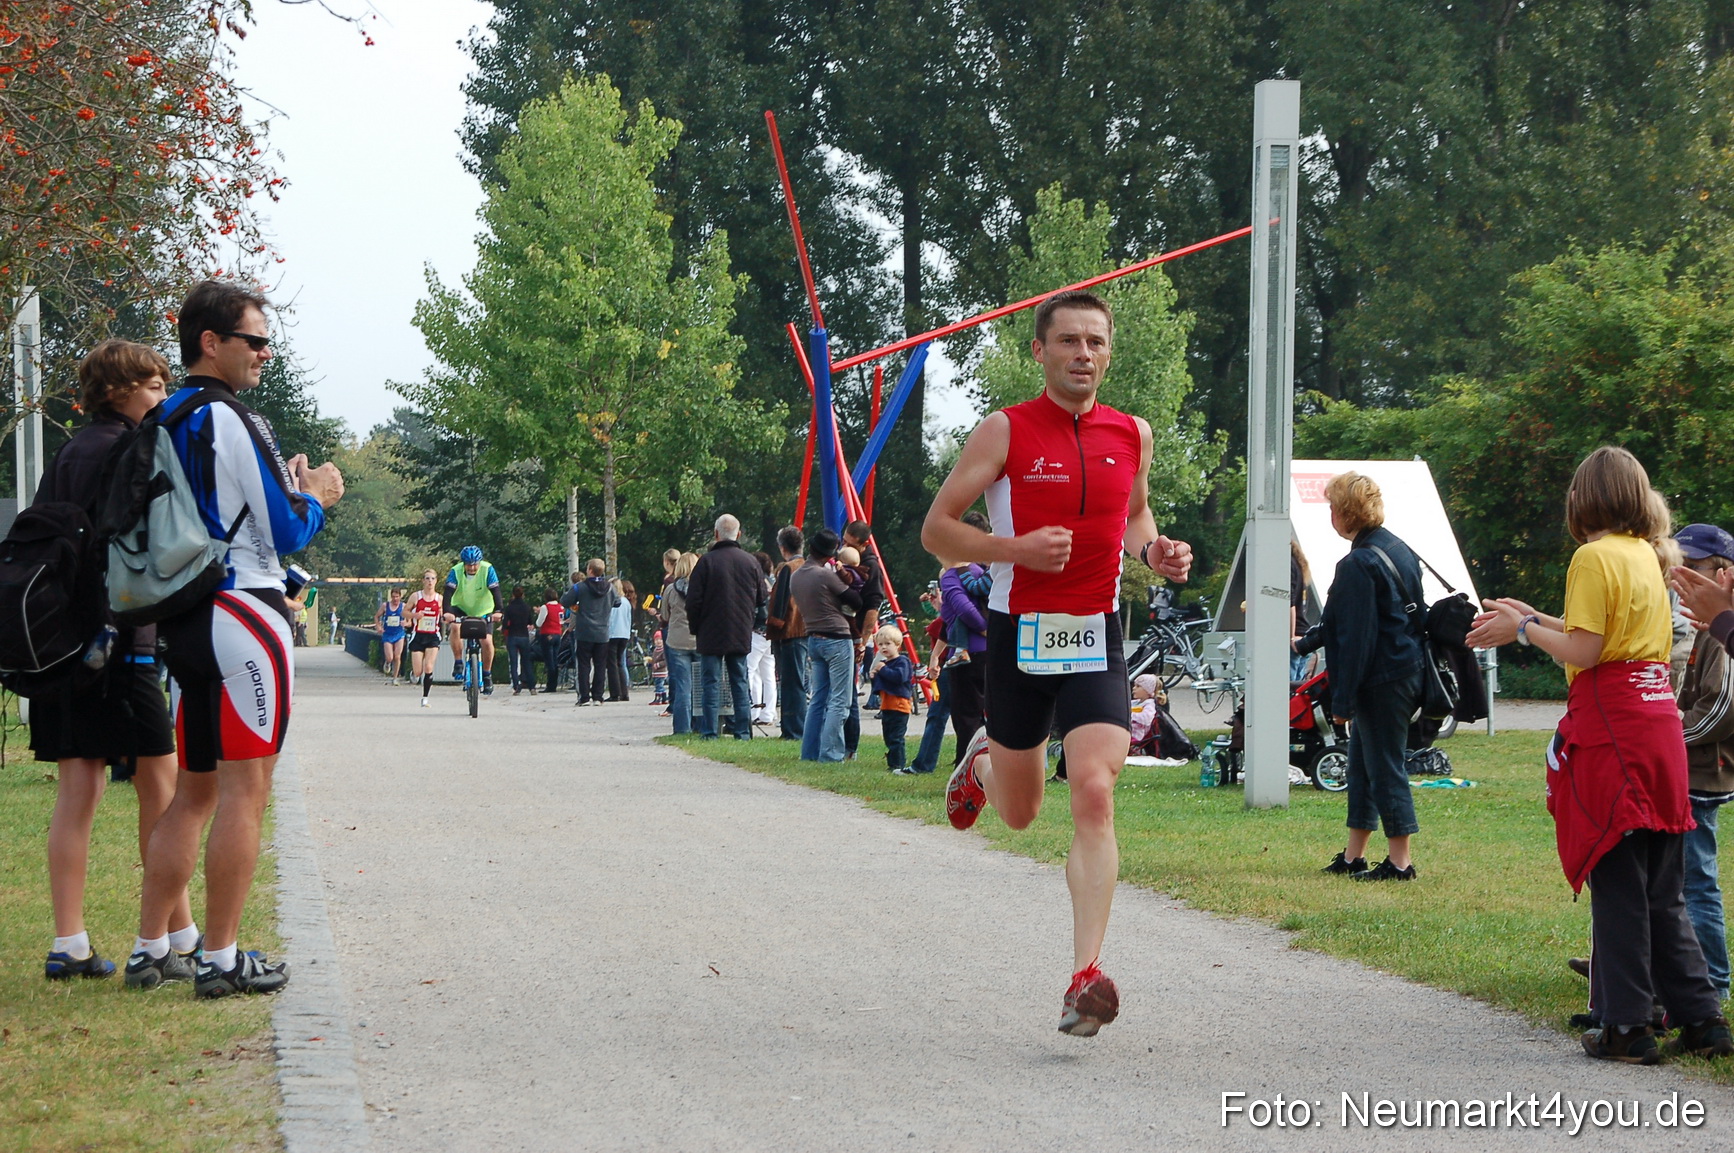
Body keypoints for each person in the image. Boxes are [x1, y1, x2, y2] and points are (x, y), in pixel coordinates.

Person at [921, 288, 1193, 1037]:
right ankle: (982, 762)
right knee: (1019, 811)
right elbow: (937, 530)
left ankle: (1083, 976)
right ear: (1039, 351)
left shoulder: (1132, 432)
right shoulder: (1004, 431)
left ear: (1109, 351)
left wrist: (1154, 551)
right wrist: (1016, 549)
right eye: (1068, 341)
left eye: (1095, 342)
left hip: (1095, 632)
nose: (1083, 354)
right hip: (1018, 633)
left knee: (1096, 791)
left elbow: (1135, 513)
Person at [1471, 447, 1729, 1062]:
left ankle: (1627, 1027)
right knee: (1662, 888)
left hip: (1613, 723)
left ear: (1581, 500)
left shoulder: (1591, 556)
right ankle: (1703, 1021)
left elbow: (1585, 653)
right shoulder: (1649, 554)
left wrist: (1523, 632)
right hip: (1658, 720)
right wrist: (1534, 616)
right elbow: (1607, 635)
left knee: (1616, 880)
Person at [129, 279, 343, 998]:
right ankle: (219, 957)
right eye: (255, 340)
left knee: (193, 791)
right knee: (245, 792)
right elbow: (286, 531)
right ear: (210, 342)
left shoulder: (162, 418)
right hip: (244, 611)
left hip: (184, 618)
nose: (265, 354)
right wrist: (317, 494)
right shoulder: (231, 417)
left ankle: (150, 943)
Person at [30, 340, 191, 982]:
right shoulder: (131, 450)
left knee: (79, 790)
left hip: (57, 644)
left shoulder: (67, 452)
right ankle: (174, 935)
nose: (161, 395)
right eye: (153, 385)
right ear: (121, 389)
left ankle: (69, 942)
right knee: (164, 783)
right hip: (120, 642)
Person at [1294, 471, 1424, 883]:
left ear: (1346, 512)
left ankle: (1400, 863)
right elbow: (1341, 621)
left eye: (1333, 507)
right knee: (1362, 766)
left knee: (1384, 766)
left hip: (1381, 678)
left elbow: (1355, 639)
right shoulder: (1397, 549)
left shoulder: (1357, 563)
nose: (1330, 514)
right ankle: (1355, 855)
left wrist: (1342, 703)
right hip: (1404, 669)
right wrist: (1304, 643)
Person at [1669, 523, 1734, 1004]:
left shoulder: (1721, 631)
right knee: (1668, 879)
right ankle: (1642, 963)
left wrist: (1664, 735)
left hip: (1701, 773)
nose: (1681, 575)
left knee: (1696, 883)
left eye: (1693, 567)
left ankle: (1714, 981)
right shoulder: (1696, 623)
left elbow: (1720, 707)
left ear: (1724, 574)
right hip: (1682, 767)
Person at [686, 514, 767, 740]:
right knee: (739, 681)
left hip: (710, 630)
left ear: (716, 534)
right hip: (740, 629)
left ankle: (710, 731)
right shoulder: (750, 562)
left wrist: (696, 627)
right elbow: (762, 598)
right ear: (738, 534)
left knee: (710, 682)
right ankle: (742, 731)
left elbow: (693, 601)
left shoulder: (706, 562)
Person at [792, 528, 863, 762]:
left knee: (818, 699)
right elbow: (855, 600)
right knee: (840, 700)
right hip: (837, 638)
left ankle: (809, 752)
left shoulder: (797, 576)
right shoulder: (824, 575)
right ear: (831, 554)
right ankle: (831, 754)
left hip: (814, 637)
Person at [938, 557, 989, 761]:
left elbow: (965, 608)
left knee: (966, 717)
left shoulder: (951, 577)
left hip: (967, 656)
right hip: (989, 653)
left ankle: (967, 770)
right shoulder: (979, 570)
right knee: (988, 715)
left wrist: (984, 628)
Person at [766, 526, 809, 741]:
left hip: (790, 631)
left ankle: (793, 729)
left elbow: (780, 603)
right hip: (808, 630)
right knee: (799, 682)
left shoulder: (787, 569)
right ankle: (797, 727)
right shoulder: (810, 566)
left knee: (791, 684)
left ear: (782, 548)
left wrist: (773, 627)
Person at [907, 579, 953, 775]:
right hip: (962, 664)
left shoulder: (949, 616)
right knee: (972, 717)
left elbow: (939, 626)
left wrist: (934, 658)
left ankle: (924, 764)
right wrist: (935, 605)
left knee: (937, 714)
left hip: (947, 666)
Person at [442, 545, 502, 695]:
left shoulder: (488, 569)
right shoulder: (456, 571)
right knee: (455, 627)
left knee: (487, 641)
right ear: (464, 563)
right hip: (461, 607)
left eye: (475, 564)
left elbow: (496, 593)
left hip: (483, 610)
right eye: (469, 564)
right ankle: (458, 662)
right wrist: (447, 613)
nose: (472, 568)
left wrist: (499, 611)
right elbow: (448, 594)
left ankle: (487, 675)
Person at [562, 560, 618, 705]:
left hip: (584, 631)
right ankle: (598, 697)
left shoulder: (580, 587)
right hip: (603, 631)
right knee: (600, 665)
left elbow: (564, 601)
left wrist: (577, 607)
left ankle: (584, 697)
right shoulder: (610, 588)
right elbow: (617, 602)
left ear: (590, 570)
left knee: (584, 665)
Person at [661, 553, 700, 733]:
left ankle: (682, 728)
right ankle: (701, 726)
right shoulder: (704, 587)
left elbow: (665, 616)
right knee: (701, 686)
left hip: (677, 641)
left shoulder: (670, 589)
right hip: (700, 640)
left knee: (682, 686)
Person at [868, 626, 916, 771]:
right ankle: (892, 760)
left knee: (896, 737)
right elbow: (880, 686)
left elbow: (898, 678)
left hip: (900, 706)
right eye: (880, 644)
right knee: (888, 736)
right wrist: (874, 676)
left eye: (888, 644)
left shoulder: (902, 661)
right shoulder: (885, 664)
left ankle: (897, 764)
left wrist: (882, 669)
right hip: (887, 706)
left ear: (897, 645)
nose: (883, 647)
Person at [407, 569, 445, 707]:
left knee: (428, 666)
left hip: (433, 636)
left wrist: (445, 617)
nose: (430, 581)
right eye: (427, 578)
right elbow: (404, 612)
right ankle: (414, 672)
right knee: (418, 671)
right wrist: (414, 615)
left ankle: (425, 698)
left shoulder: (439, 599)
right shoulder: (416, 596)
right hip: (418, 635)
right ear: (423, 581)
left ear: (436, 581)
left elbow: (445, 615)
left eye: (432, 579)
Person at [747, 551, 777, 727]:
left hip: (757, 630)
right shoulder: (772, 581)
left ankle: (752, 709)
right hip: (770, 632)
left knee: (750, 671)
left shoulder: (756, 583)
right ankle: (768, 712)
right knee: (767, 674)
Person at [501, 585, 536, 695]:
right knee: (526, 662)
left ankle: (516, 686)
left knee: (514, 662)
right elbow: (530, 622)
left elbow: (505, 624)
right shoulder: (526, 607)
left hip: (512, 636)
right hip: (524, 637)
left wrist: (504, 630)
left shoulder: (509, 608)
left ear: (513, 594)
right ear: (523, 594)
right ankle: (532, 687)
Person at [374, 587, 408, 684]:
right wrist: (378, 627)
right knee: (390, 657)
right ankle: (388, 663)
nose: (395, 599)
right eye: (393, 597)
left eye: (397, 597)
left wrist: (405, 622)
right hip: (388, 634)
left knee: (397, 656)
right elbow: (376, 616)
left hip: (399, 633)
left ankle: (395, 678)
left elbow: (409, 620)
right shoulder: (385, 606)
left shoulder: (403, 606)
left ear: (400, 597)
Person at [606, 577, 633, 702]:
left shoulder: (611, 601)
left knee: (612, 664)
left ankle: (614, 693)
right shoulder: (626, 602)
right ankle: (624, 692)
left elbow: (609, 619)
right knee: (621, 663)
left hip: (612, 634)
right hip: (624, 634)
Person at [534, 588, 565, 694]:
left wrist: (538, 614)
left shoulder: (545, 607)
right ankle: (554, 683)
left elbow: (539, 623)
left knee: (549, 661)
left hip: (547, 634)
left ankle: (550, 685)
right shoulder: (561, 607)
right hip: (558, 634)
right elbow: (561, 621)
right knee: (555, 659)